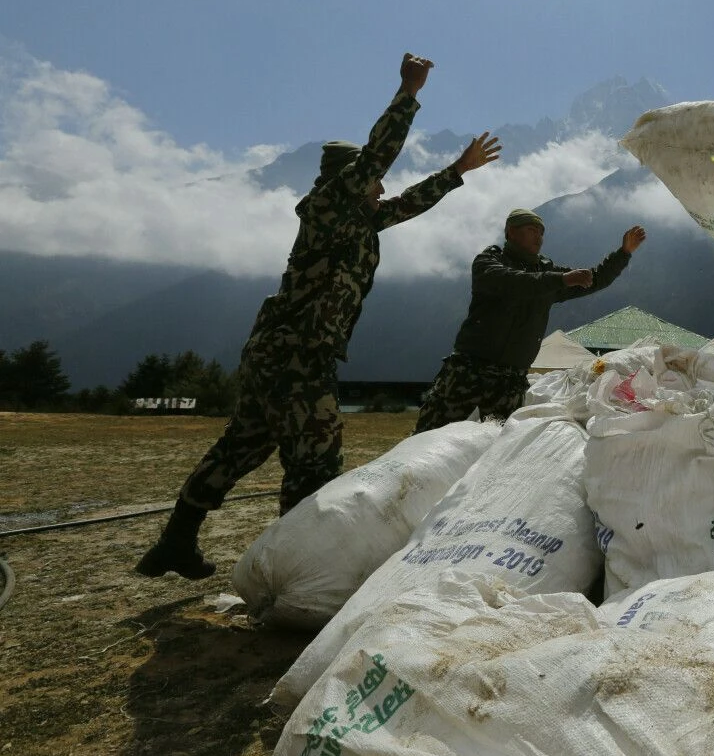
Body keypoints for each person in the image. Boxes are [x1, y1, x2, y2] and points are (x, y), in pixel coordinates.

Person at [136, 53, 504, 580]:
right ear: (347, 180)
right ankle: (299, 570)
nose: (379, 188)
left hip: (276, 355)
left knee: (238, 447)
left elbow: (407, 203)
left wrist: (456, 172)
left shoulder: (356, 221)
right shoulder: (330, 207)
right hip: (299, 357)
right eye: (369, 181)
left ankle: (174, 542)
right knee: (315, 462)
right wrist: (407, 94)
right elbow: (376, 159)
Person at [413, 210, 647, 432]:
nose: (539, 237)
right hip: (469, 371)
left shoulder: (548, 273)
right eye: (532, 230)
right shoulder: (489, 261)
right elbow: (513, 282)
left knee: (498, 449)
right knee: (430, 434)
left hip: (510, 380)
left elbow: (592, 279)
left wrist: (623, 253)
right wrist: (560, 280)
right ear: (511, 233)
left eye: (541, 232)